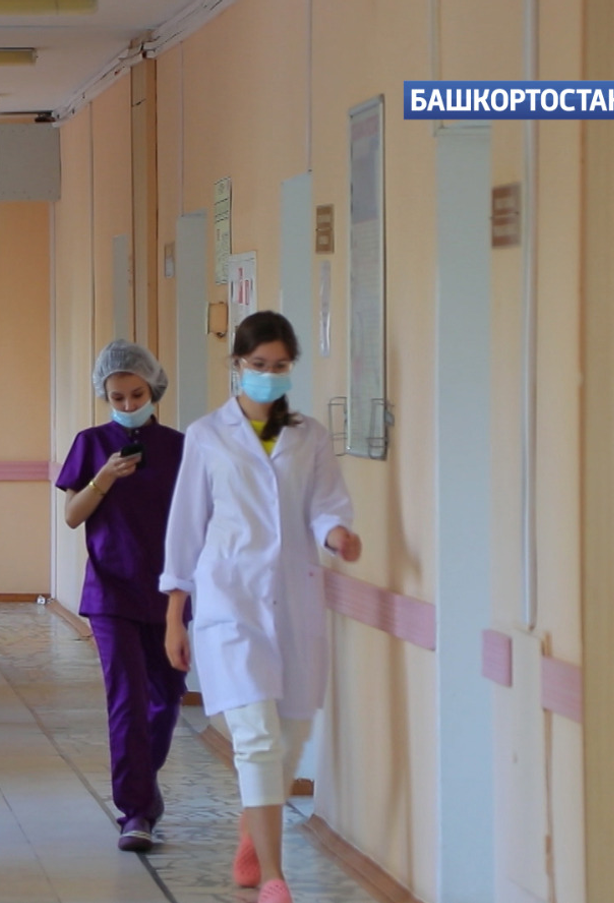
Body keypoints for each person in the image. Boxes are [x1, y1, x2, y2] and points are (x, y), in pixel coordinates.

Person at [160, 311, 362, 903]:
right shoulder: (206, 435)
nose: (268, 376)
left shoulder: (309, 436)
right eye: (258, 365)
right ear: (237, 365)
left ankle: (254, 832)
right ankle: (275, 875)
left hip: (294, 602)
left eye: (279, 366)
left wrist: (337, 535)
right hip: (229, 602)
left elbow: (326, 504)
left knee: (291, 739)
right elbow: (185, 527)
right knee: (255, 739)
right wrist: (175, 615)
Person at [54, 340, 187, 853]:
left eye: (137, 395)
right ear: (104, 395)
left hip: (168, 591)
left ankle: (142, 786)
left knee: (167, 697)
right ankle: (135, 810)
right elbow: (73, 516)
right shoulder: (91, 444)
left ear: (153, 390)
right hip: (110, 590)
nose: (128, 404)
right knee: (127, 698)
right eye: (117, 397)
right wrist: (104, 477)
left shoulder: (179, 448)